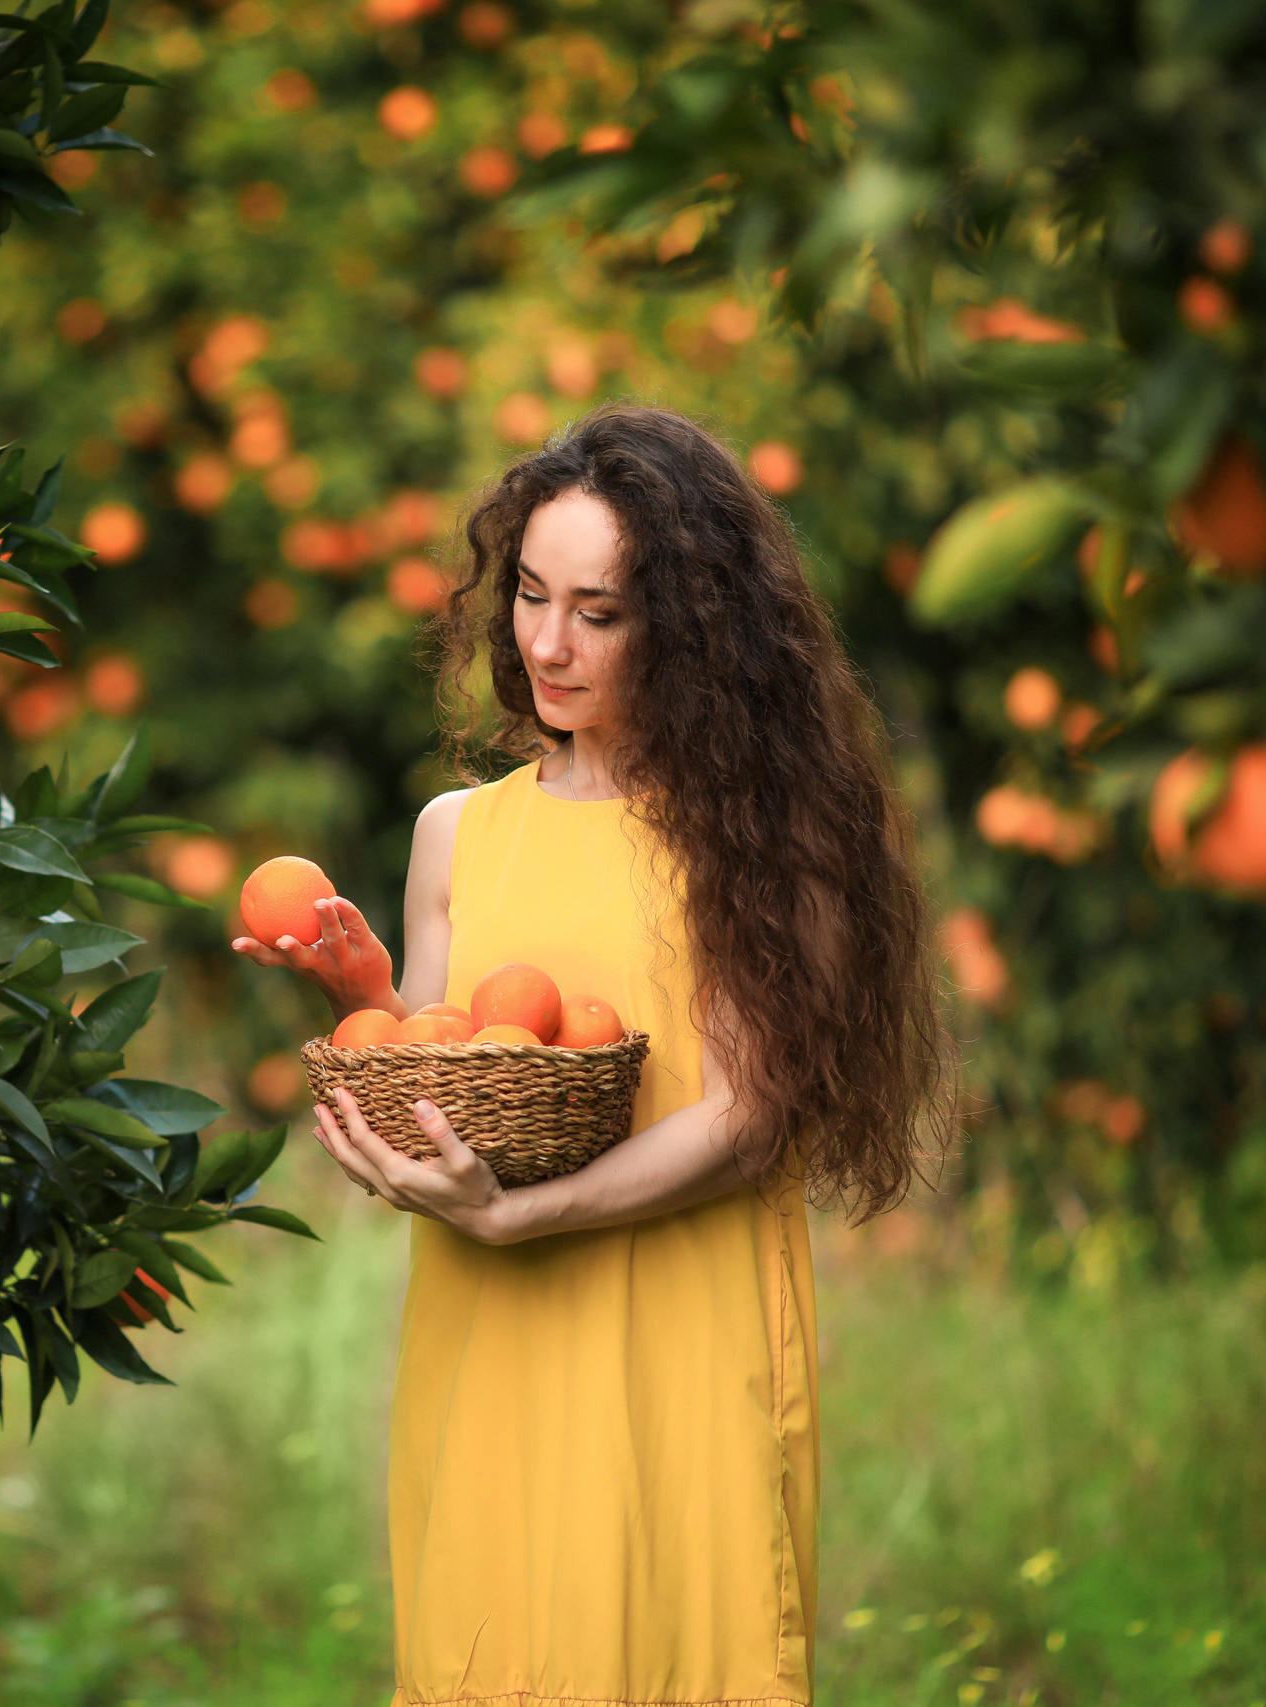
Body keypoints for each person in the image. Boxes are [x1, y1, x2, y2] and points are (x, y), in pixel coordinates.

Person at [233, 404, 955, 1707]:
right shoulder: (458, 834)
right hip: (490, 1343)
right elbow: (457, 1083)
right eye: (528, 596)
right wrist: (367, 1005)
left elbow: (750, 1117)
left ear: (689, 625)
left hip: (674, 1336)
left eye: (600, 612)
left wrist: (528, 1219)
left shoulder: (764, 837)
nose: (549, 645)